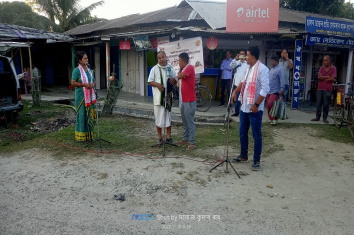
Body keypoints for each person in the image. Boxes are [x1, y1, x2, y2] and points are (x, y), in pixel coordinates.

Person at [231, 46, 270, 171]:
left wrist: (257, 105)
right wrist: (235, 91)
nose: (245, 57)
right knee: (242, 133)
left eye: (247, 55)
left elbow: (265, 89)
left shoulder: (262, 69)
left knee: (256, 135)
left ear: (253, 57)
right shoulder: (248, 68)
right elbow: (243, 82)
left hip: (255, 109)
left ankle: (256, 160)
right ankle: (243, 155)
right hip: (245, 106)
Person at [148, 51, 178, 146]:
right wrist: (157, 84)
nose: (161, 59)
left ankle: (168, 138)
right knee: (158, 118)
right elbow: (149, 81)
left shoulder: (170, 68)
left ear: (166, 57)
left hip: (168, 98)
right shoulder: (154, 69)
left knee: (168, 117)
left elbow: (175, 80)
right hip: (158, 98)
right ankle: (160, 138)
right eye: (159, 58)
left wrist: (174, 81)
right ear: (158, 59)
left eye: (162, 57)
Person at [71, 51, 97, 142]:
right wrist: (83, 85)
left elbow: (93, 81)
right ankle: (81, 137)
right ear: (80, 60)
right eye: (85, 58)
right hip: (81, 96)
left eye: (87, 58)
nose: (87, 60)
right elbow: (73, 83)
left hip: (89, 96)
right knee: (82, 115)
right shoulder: (76, 70)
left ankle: (89, 135)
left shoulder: (90, 70)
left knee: (89, 114)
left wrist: (92, 85)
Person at [177, 52, 196, 150]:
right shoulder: (184, 68)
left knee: (190, 122)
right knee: (184, 121)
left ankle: (192, 142)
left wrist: (179, 71)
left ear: (184, 62)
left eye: (179, 61)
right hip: (183, 100)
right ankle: (185, 138)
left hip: (189, 100)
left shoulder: (189, 67)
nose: (178, 63)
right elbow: (179, 75)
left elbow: (179, 76)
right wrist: (180, 69)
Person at [311, 55, 337, 124]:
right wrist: (327, 77)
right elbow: (319, 77)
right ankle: (317, 117)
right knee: (318, 103)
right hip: (320, 88)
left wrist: (324, 78)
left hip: (328, 89)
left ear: (329, 61)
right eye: (324, 60)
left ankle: (325, 118)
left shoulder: (333, 68)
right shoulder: (321, 68)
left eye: (326, 60)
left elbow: (332, 78)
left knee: (326, 104)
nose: (324, 62)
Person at [267, 55, 285, 125]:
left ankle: (274, 119)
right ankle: (270, 118)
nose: (271, 62)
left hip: (276, 91)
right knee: (268, 105)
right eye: (271, 61)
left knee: (271, 104)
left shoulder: (280, 69)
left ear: (277, 62)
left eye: (273, 61)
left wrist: (282, 89)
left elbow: (282, 80)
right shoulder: (272, 69)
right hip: (269, 91)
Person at [230, 50, 247, 117]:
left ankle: (244, 112)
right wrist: (235, 58)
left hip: (245, 84)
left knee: (244, 99)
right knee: (237, 99)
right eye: (240, 54)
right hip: (237, 84)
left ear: (245, 55)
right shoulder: (236, 63)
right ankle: (237, 112)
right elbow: (231, 66)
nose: (242, 55)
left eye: (243, 54)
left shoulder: (247, 63)